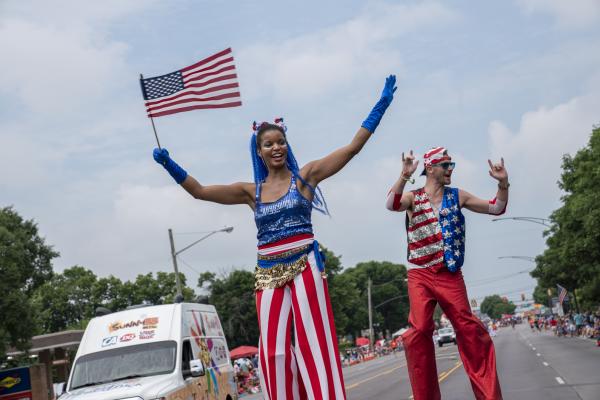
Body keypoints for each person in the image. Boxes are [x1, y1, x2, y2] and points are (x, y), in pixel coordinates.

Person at [153, 75, 397, 400]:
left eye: (280, 142)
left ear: (287, 145)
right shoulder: (250, 192)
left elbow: (352, 149)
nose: (276, 147)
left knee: (314, 343)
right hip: (267, 272)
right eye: (268, 144)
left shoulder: (305, 177)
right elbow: (199, 192)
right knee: (273, 353)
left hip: (305, 263)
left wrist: (379, 106)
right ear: (259, 151)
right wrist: (170, 164)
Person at [385, 147, 508, 400]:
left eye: (452, 165)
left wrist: (503, 183)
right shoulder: (413, 197)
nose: (451, 169)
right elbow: (391, 204)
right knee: (419, 331)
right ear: (430, 169)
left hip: (450, 273)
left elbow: (496, 208)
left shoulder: (458, 196)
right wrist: (404, 174)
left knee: (469, 329)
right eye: (446, 165)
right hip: (420, 273)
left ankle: (489, 396)